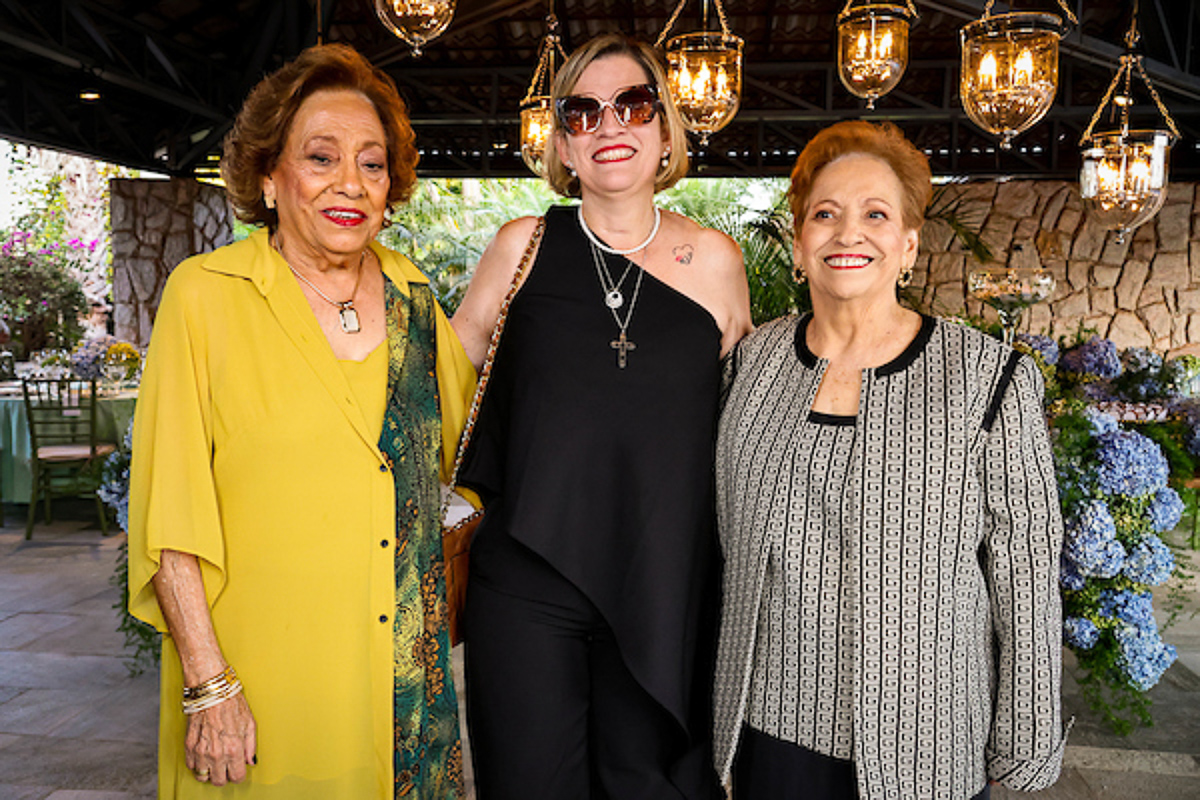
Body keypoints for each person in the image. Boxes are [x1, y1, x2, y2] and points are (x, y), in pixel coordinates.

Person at [126, 43, 475, 799]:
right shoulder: (207, 296)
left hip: (402, 691)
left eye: (372, 163)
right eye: (321, 158)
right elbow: (168, 513)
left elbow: (468, 446)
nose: (351, 183)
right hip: (258, 685)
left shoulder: (413, 296)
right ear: (267, 176)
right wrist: (209, 686)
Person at [712, 120, 1068, 799]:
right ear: (799, 242)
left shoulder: (988, 379)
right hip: (770, 732)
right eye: (825, 214)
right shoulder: (750, 367)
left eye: (876, 214)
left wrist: (1024, 739)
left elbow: (1024, 578)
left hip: (927, 742)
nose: (848, 233)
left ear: (907, 245)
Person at [451, 32, 752, 800]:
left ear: (664, 132)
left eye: (633, 105)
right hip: (526, 579)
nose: (610, 124)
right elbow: (442, 384)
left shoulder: (716, 261)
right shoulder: (521, 245)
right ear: (563, 145)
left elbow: (750, 420)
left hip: (664, 578)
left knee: (651, 783)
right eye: (583, 112)